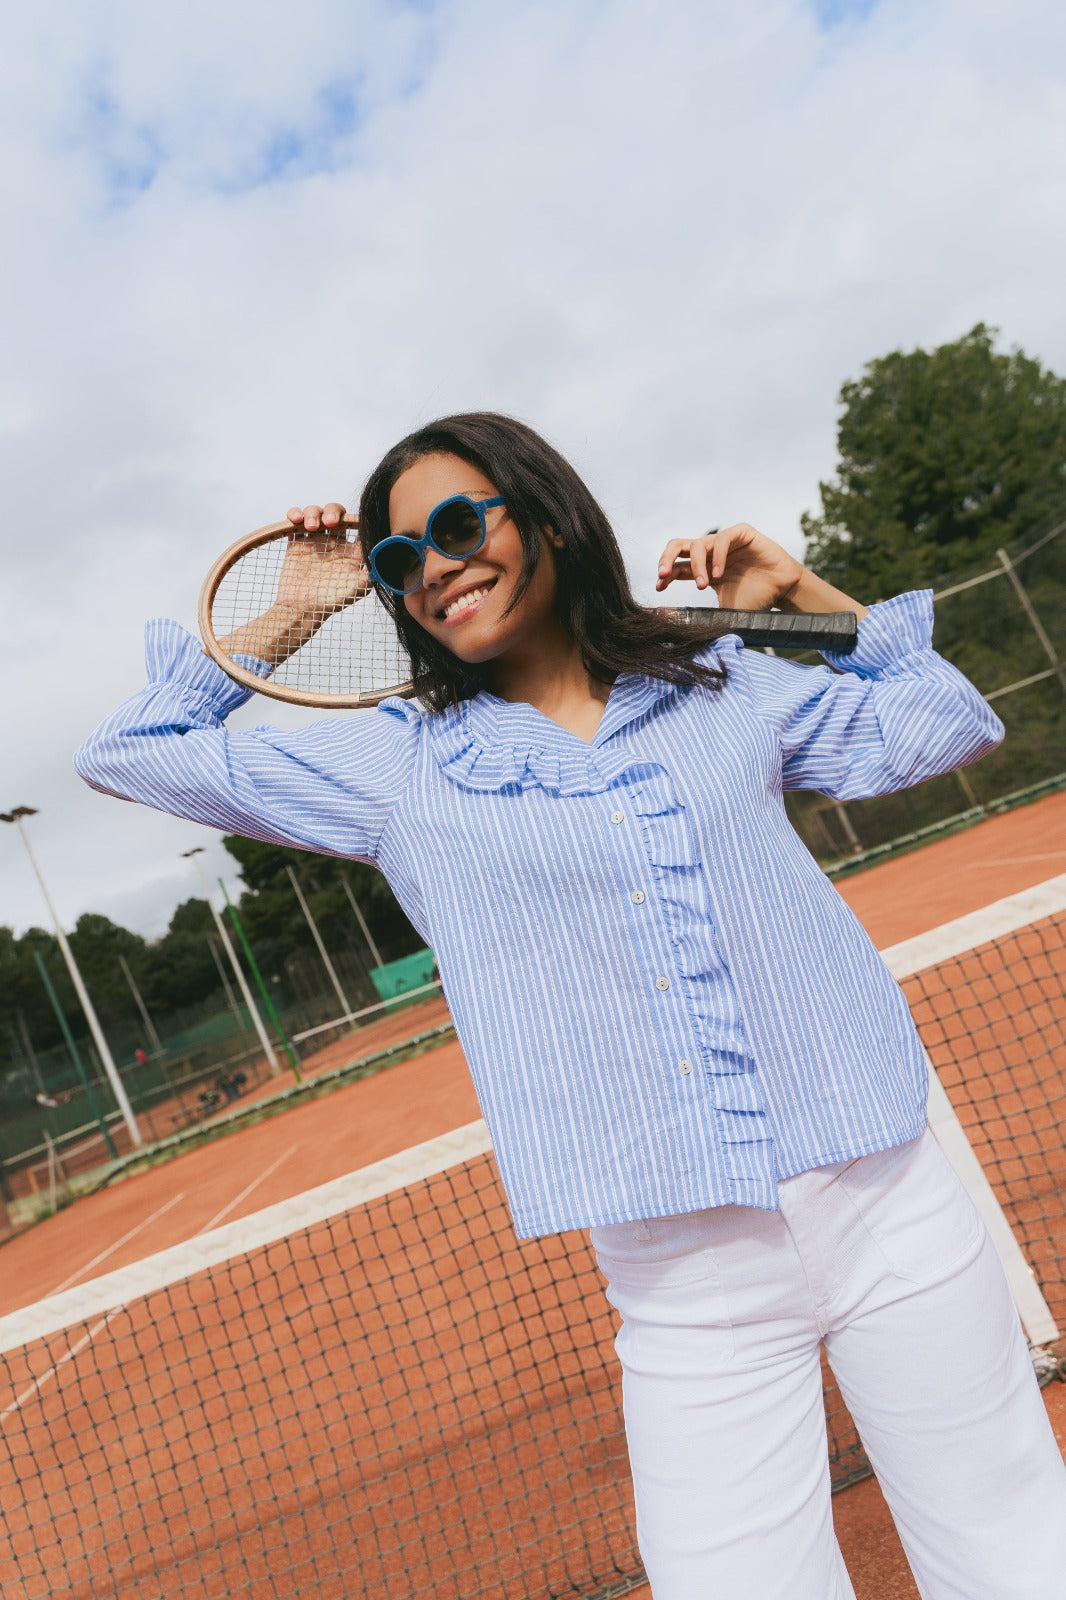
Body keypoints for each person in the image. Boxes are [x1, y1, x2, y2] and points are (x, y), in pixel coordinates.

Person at [74, 413, 1066, 1598]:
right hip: (685, 1279)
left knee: (1011, 1545)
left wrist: (787, 599)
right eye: (401, 559)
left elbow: (944, 719)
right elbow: (132, 747)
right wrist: (301, 603)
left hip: (889, 1203)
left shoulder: (718, 679)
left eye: (457, 523)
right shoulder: (398, 766)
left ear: (542, 517)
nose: (434, 566)